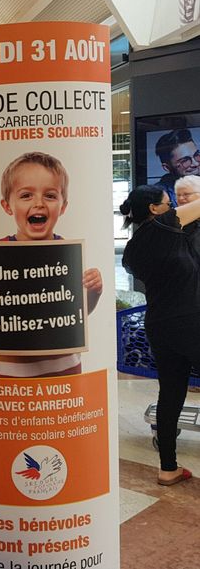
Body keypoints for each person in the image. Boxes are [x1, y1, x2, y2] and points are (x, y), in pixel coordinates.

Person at [0, 152, 103, 377]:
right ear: (7, 206)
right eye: (26, 195)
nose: (38, 203)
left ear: (63, 206)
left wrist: (94, 291)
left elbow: (78, 313)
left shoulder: (67, 253)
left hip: (64, 372)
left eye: (50, 196)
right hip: (9, 373)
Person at [121, 184, 200, 486]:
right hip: (190, 322)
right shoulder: (164, 226)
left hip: (159, 325)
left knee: (170, 394)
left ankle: (168, 468)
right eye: (170, 202)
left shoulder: (133, 247)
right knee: (171, 395)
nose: (175, 206)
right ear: (154, 209)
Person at [153, 129, 200, 205]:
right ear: (167, 168)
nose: (196, 163)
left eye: (196, 155)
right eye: (185, 160)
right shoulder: (158, 196)